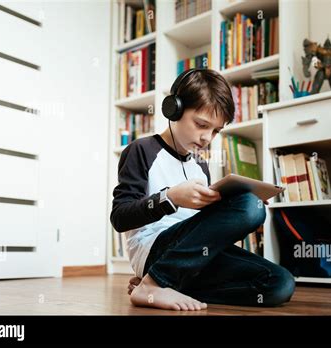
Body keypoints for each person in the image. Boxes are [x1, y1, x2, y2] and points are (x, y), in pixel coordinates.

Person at [110, 69, 295, 311]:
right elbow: (120, 217)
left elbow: (200, 225)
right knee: (250, 207)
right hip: (155, 249)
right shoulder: (141, 150)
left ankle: (165, 284)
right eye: (201, 124)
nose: (207, 137)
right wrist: (170, 197)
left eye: (216, 131)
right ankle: (153, 283)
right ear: (173, 109)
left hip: (195, 258)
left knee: (280, 284)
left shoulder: (200, 165)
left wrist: (230, 209)